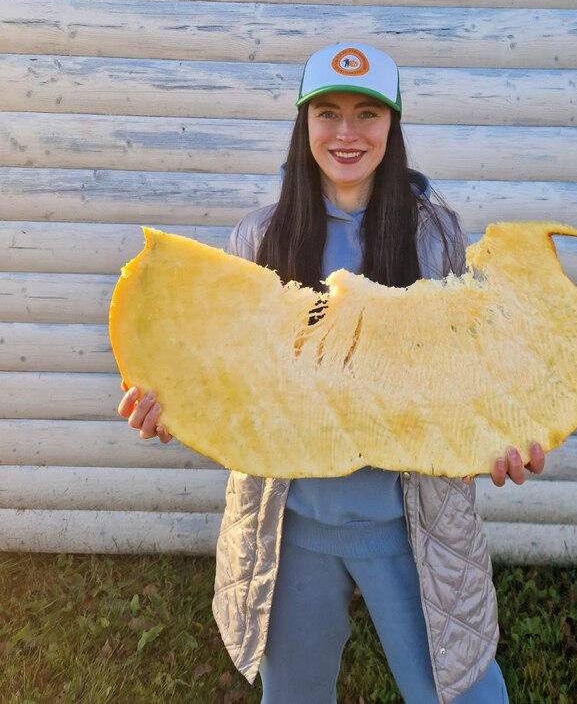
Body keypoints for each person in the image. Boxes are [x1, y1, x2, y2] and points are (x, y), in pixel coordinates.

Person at [118, 42, 546, 704]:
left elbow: (467, 370)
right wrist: (174, 408)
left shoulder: (435, 236)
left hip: (410, 526)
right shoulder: (258, 238)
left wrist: (498, 437)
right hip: (290, 528)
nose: (347, 133)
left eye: (367, 113)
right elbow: (231, 379)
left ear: (392, 125)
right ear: (305, 123)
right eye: (328, 113)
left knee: (466, 694)